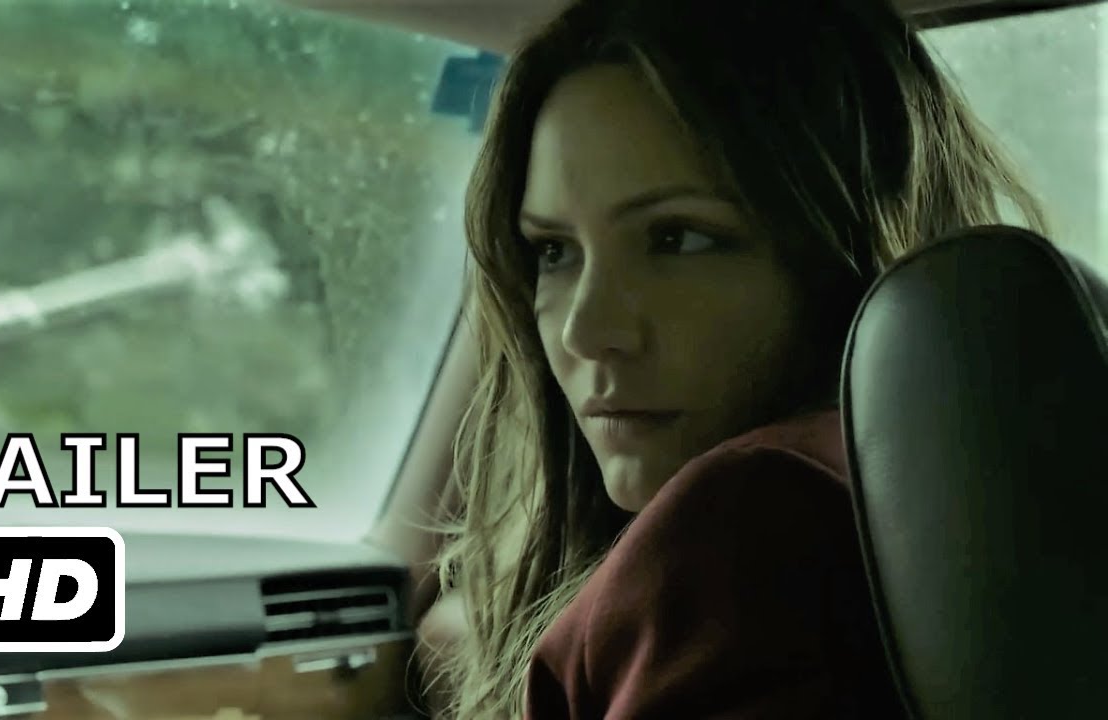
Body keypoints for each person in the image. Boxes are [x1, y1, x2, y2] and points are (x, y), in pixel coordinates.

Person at [428, 0, 1049, 717]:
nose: (584, 330)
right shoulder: (928, 499)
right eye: (553, 251)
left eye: (678, 238)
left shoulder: (746, 523)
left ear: (841, 248)